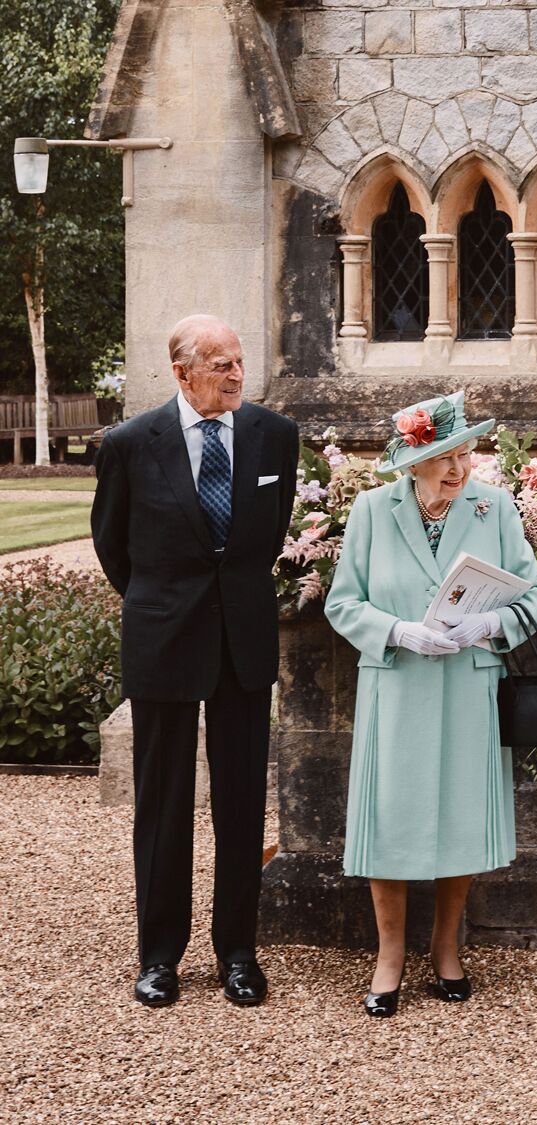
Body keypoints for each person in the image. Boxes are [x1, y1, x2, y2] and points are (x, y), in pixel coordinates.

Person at [91, 314, 299, 1008]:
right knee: (163, 803)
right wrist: (165, 603)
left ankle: (238, 950)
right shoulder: (128, 444)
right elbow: (113, 547)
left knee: (241, 803)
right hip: (163, 638)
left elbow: (264, 540)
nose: (237, 375)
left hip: (243, 641)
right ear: (181, 373)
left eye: (239, 361)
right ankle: (159, 957)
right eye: (220, 365)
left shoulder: (276, 436)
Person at [324, 390, 537, 1018]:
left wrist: (489, 626)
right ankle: (389, 954)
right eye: (444, 456)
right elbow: (342, 603)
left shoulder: (494, 508)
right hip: (395, 682)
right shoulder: (372, 510)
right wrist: (399, 632)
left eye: (465, 453)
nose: (459, 468)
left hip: (467, 681)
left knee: (458, 813)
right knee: (389, 817)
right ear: (412, 461)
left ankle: (446, 947)